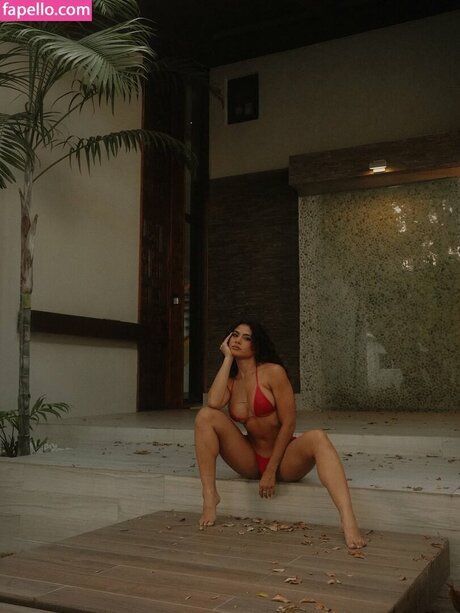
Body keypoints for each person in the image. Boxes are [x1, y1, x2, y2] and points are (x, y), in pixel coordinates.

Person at [194, 319, 366, 549]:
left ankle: (347, 517)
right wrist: (227, 359)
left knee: (318, 437)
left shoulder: (273, 373)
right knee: (205, 416)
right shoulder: (232, 382)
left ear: (256, 345)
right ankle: (209, 496)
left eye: (247, 338)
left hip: (284, 459)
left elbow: (289, 423)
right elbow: (214, 403)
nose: (238, 340)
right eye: (234, 335)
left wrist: (271, 470)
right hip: (250, 457)